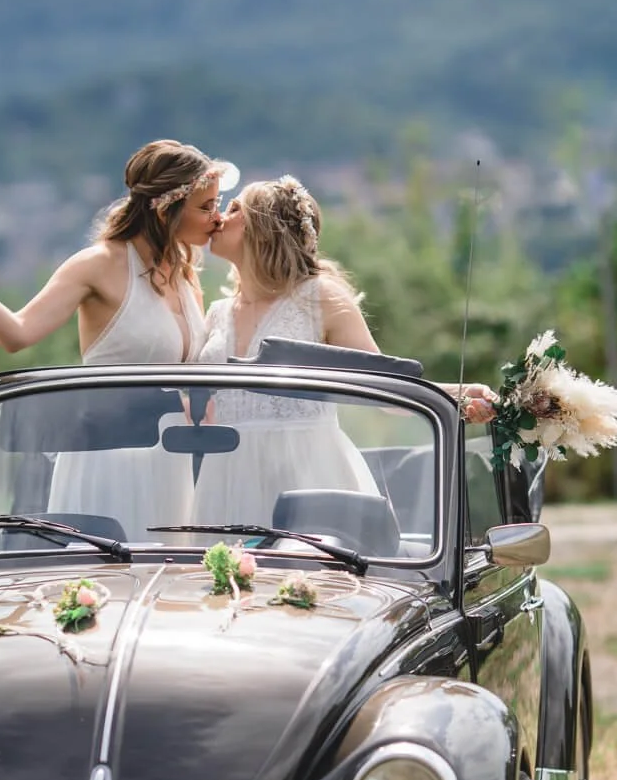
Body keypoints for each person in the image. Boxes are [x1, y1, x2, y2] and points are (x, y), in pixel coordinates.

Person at [0, 141, 239, 541]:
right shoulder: (97, 264)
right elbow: (16, 333)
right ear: (166, 207)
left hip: (170, 461)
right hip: (106, 458)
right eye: (206, 206)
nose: (217, 216)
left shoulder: (186, 272)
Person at [192, 175, 496, 529]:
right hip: (226, 477)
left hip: (306, 475)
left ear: (263, 226)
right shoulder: (216, 312)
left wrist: (458, 396)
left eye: (234, 209)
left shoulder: (320, 298)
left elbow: (385, 388)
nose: (218, 217)